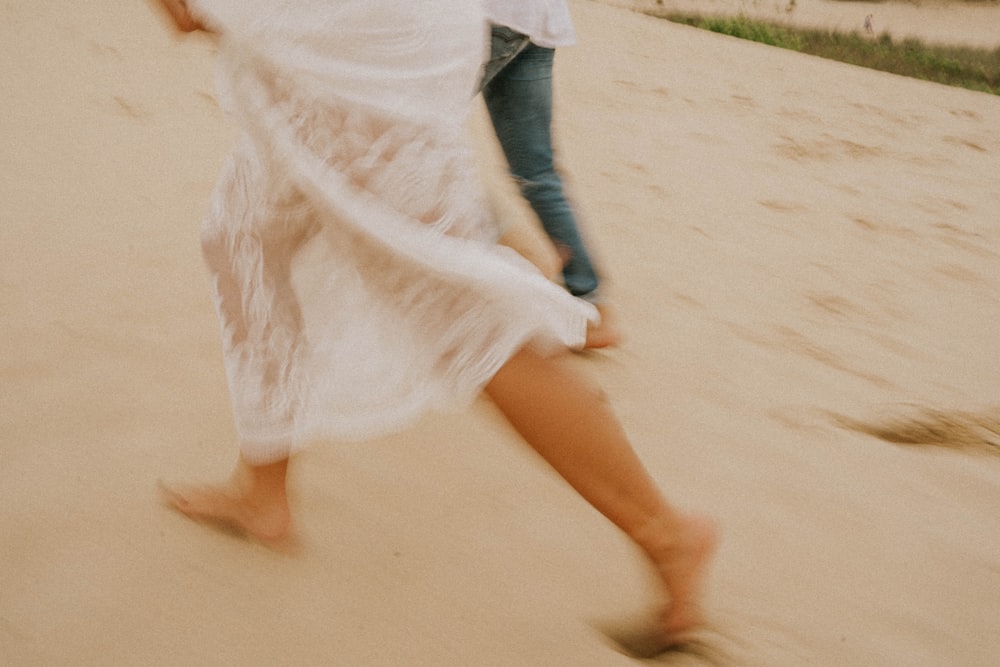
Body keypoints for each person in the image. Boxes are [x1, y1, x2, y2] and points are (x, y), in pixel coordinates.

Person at [152, 0, 716, 652]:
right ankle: (262, 490)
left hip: (362, 49)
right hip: (354, 46)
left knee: (465, 323)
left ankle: (667, 532)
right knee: (244, 238)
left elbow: (191, 16)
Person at [480, 1, 622, 349]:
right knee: (537, 172)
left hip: (489, 17)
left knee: (417, 140)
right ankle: (591, 303)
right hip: (538, 20)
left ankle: (500, 270)